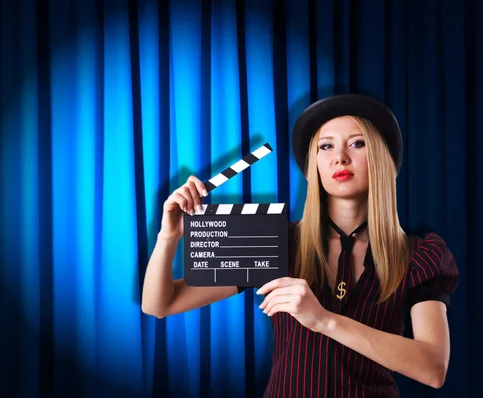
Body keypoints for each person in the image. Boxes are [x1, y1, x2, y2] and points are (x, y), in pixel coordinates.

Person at [141, 94, 459, 397]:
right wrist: (168, 237)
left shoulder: (420, 254)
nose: (340, 157)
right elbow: (159, 305)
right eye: (326, 146)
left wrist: (324, 320)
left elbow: (433, 368)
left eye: (357, 143)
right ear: (313, 165)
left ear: (381, 158)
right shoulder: (273, 237)